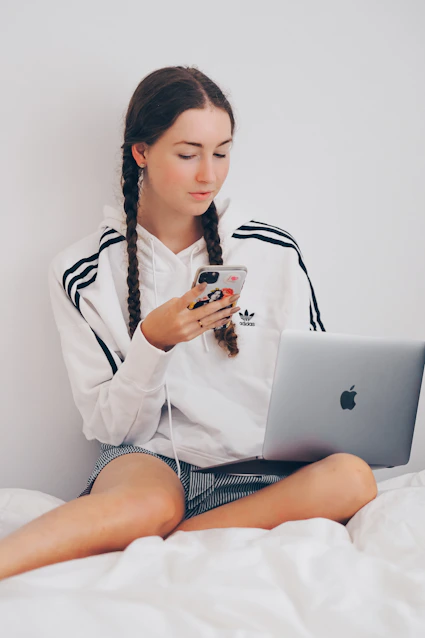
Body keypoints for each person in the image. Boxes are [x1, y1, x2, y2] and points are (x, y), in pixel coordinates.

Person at [0, 65, 377, 581]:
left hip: (261, 472)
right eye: (187, 154)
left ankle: (178, 541)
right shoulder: (81, 271)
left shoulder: (273, 251)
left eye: (221, 153)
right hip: (153, 466)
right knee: (147, 504)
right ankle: (145, 529)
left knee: (353, 478)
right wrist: (153, 342)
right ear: (142, 153)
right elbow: (111, 427)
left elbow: (321, 386)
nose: (209, 174)